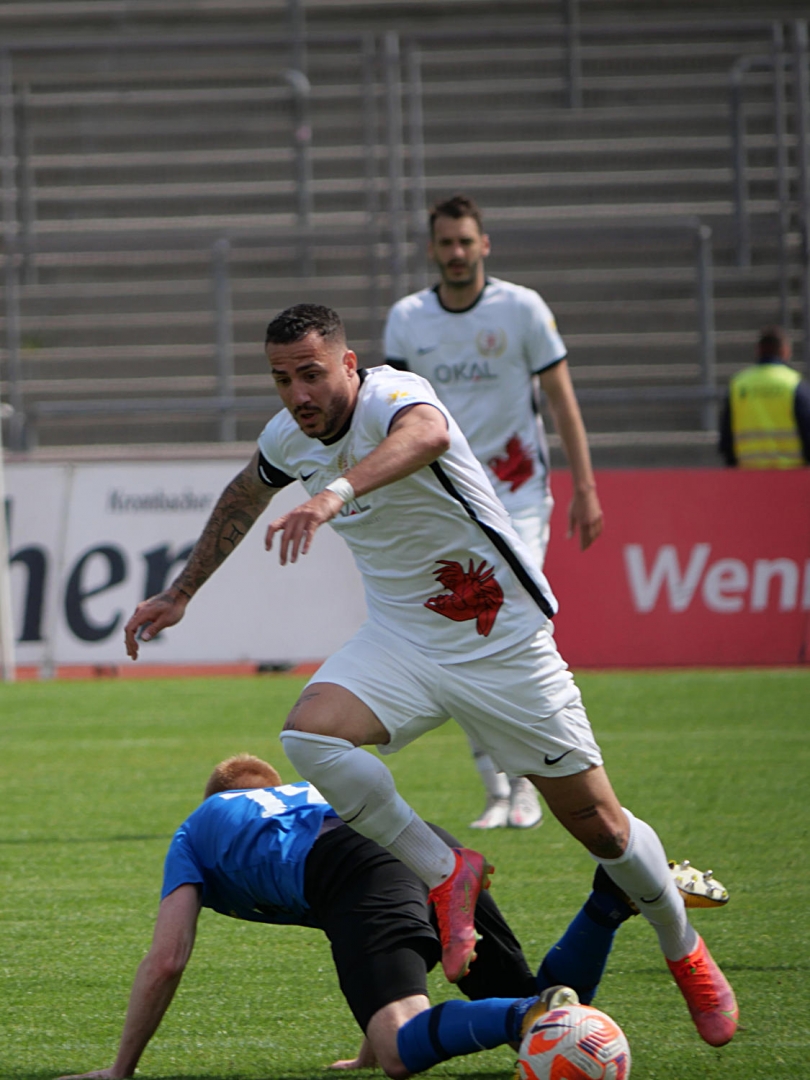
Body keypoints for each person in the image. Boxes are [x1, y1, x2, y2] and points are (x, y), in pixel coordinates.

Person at [124, 303, 737, 1048]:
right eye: (283, 380)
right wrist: (182, 592)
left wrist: (334, 493)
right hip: (403, 640)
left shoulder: (394, 395)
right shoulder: (288, 436)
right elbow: (244, 494)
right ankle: (448, 872)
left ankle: (684, 949)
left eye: (312, 374)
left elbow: (429, 436)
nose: (298, 395)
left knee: (602, 827)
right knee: (310, 736)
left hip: (497, 639)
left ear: (349, 364)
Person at [54, 753, 638, 1080]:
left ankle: (527, 1010)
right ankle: (604, 906)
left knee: (403, 1050)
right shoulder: (303, 793)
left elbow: (167, 959)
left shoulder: (197, 829)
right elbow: (367, 932)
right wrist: (365, 1041)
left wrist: (120, 1070)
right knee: (536, 1021)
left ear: (212, 799)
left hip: (353, 866)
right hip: (428, 844)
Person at [384, 194, 603, 831]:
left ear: (484, 245)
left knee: (505, 624)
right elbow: (392, 418)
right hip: (446, 501)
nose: (456, 253)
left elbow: (561, 400)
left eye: (465, 241)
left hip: (518, 494)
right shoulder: (408, 319)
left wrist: (586, 487)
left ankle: (529, 783)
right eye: (445, 243)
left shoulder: (522, 309)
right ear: (432, 249)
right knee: (463, 636)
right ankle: (498, 789)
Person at [719, 325, 810, 468]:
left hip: (748, 475)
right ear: (785, 351)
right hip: (791, 474)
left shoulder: (739, 385)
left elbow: (726, 437)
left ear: (758, 351)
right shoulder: (794, 384)